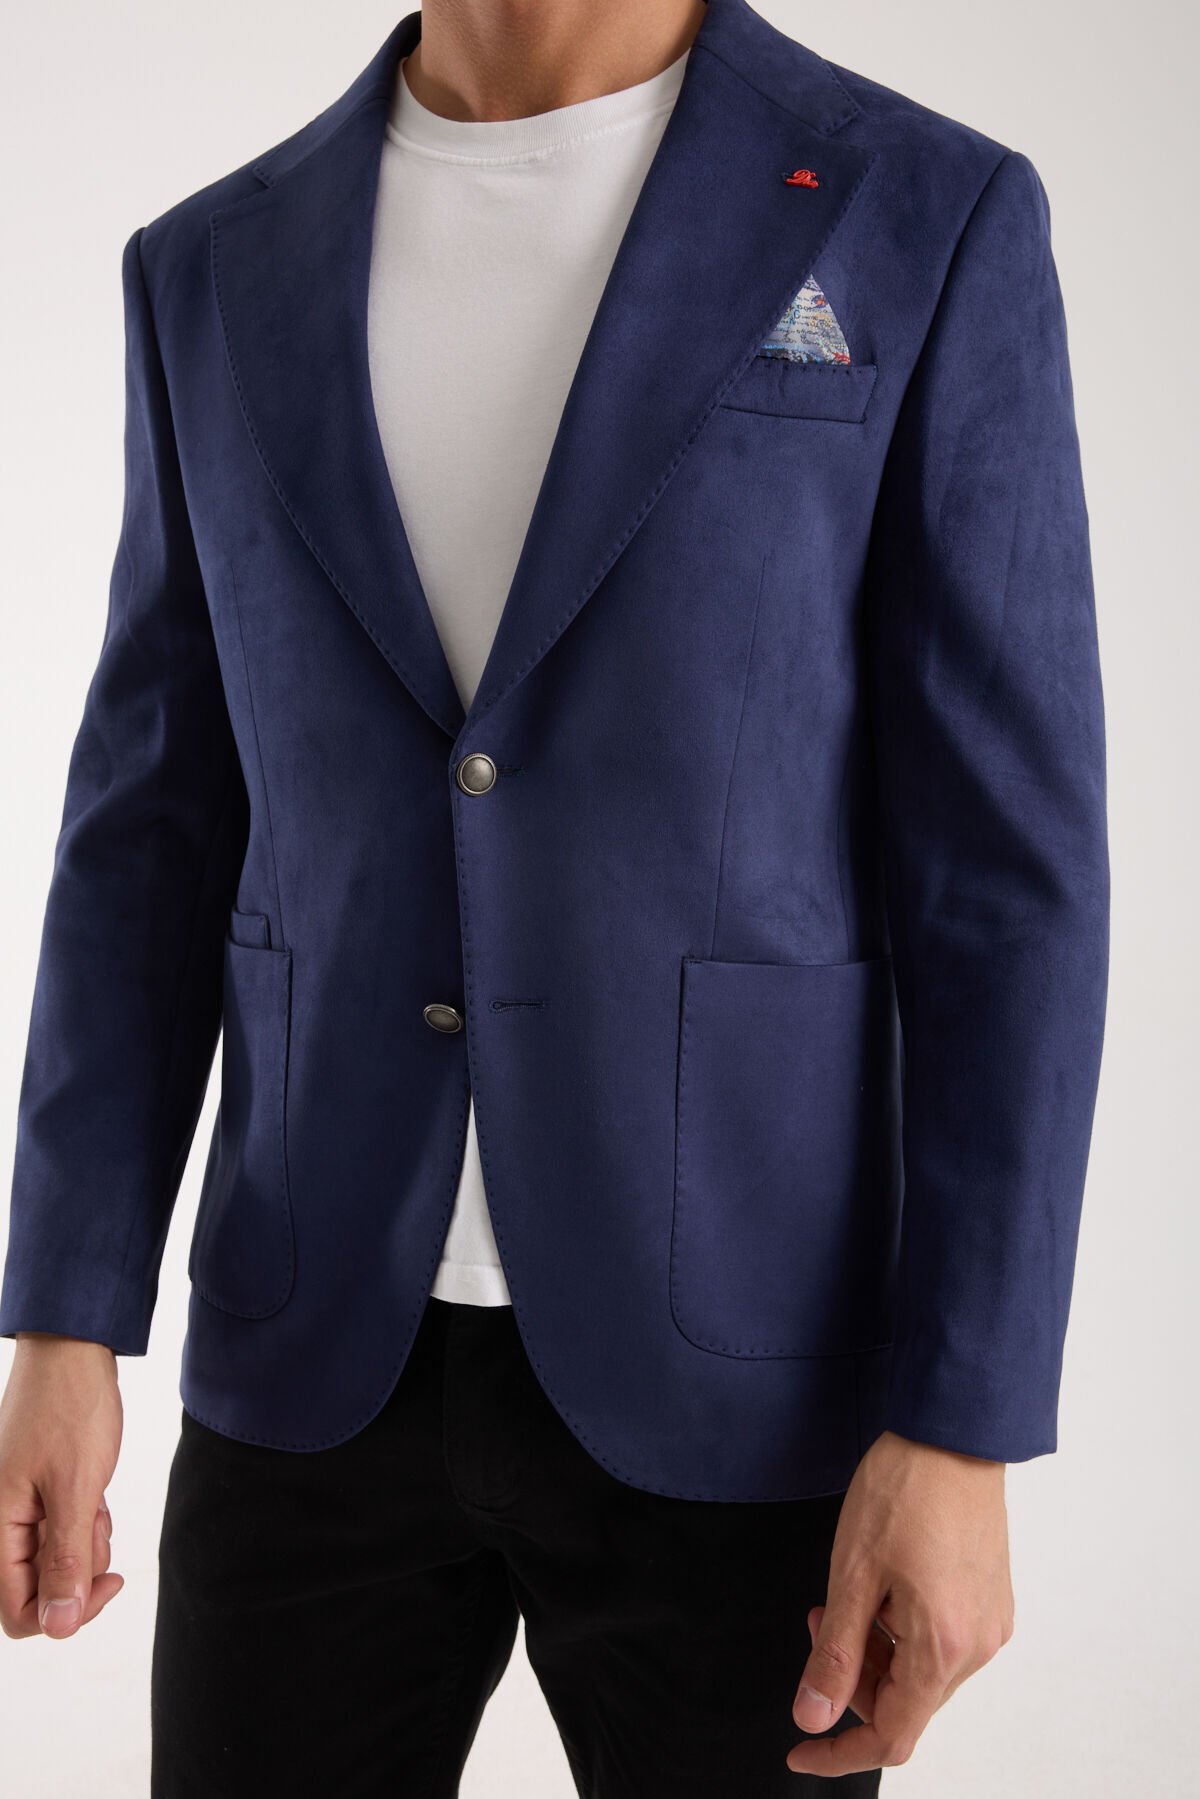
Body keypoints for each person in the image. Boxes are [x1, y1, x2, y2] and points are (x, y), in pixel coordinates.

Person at [0, 0, 1109, 1792]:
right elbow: (149, 833)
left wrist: (964, 1420)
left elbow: (1007, 879)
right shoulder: (208, 264)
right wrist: (64, 1316)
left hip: (749, 1385)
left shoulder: (919, 211)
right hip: (309, 1362)